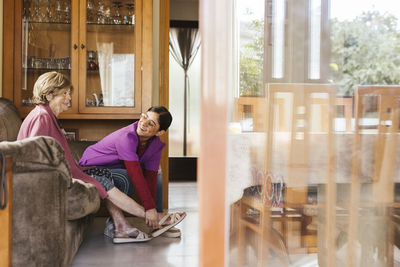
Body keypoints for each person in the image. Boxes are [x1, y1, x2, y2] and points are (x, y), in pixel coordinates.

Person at [17, 71, 185, 243]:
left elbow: (149, 176)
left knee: (151, 173)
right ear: (49, 95)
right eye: (65, 94)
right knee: (111, 179)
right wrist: (149, 210)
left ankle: (137, 223)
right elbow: (35, 155)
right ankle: (151, 219)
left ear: (160, 132)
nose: (70, 98)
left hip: (69, 172)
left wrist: (152, 207)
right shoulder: (42, 117)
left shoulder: (46, 116)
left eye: (69, 93)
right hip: (60, 175)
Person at [79, 106, 183, 238]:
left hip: (112, 169)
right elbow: (134, 173)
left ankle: (158, 223)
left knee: (157, 175)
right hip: (90, 168)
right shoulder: (126, 137)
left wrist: (153, 210)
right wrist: (149, 209)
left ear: (159, 132)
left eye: (151, 123)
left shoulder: (155, 145)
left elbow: (151, 178)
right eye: (144, 116)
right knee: (126, 177)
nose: (143, 123)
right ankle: (155, 219)